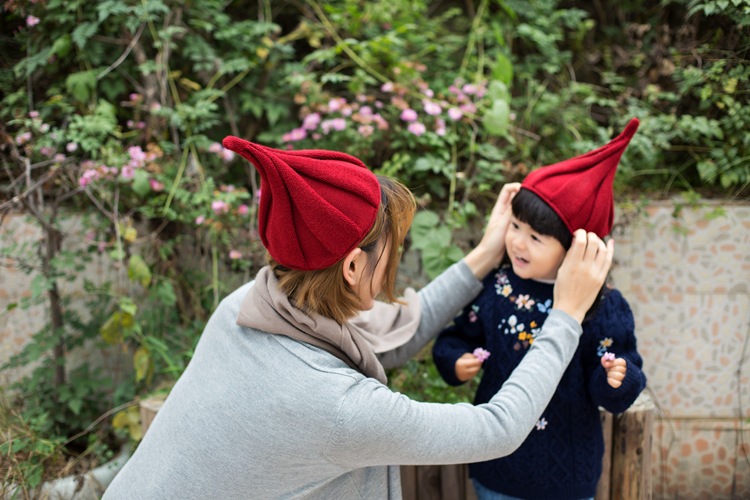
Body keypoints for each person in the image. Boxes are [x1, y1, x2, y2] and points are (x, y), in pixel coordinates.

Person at [104, 137, 614, 499]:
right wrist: (566, 314)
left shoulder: (244, 308)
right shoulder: (337, 409)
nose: (396, 257)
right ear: (353, 265)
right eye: (393, 247)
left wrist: (484, 254)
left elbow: (392, 337)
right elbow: (496, 429)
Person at [432, 118, 647, 500]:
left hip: (568, 476)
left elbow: (615, 378)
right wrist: (456, 360)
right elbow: (455, 336)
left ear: (577, 249)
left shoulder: (601, 305)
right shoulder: (496, 287)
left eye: (536, 237)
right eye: (515, 226)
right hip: (496, 466)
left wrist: (617, 378)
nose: (518, 243)